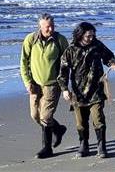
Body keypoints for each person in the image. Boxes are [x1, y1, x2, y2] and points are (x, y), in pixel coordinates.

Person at [58, 22, 115, 158]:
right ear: (80, 35)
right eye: (88, 36)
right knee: (81, 122)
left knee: (98, 118)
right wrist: (64, 89)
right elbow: (63, 71)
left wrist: (113, 63)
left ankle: (101, 146)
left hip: (96, 89)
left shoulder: (97, 45)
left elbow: (108, 56)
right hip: (78, 93)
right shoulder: (70, 50)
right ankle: (83, 145)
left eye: (93, 35)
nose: (91, 38)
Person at [20, 13, 69, 159]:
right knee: (35, 116)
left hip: (52, 85)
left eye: (52, 26)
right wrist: (27, 82)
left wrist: (64, 84)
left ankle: (47, 148)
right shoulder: (30, 39)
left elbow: (67, 63)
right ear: (40, 26)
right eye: (47, 26)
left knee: (46, 116)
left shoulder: (60, 40)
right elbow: (23, 62)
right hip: (35, 85)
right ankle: (58, 129)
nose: (50, 29)